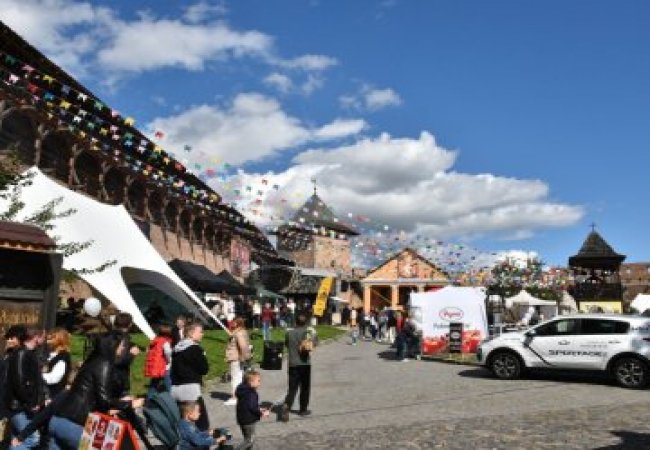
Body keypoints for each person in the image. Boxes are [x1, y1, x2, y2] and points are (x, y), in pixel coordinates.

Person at [48, 333, 145, 449]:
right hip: (75, 424)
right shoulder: (104, 364)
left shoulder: (91, 361)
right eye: (121, 345)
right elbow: (104, 400)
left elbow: (94, 395)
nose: (123, 348)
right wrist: (129, 403)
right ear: (112, 346)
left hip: (59, 420)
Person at [5, 326, 46, 450]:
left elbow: (36, 381)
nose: (45, 339)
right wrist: (31, 402)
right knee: (32, 438)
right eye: (43, 337)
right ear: (36, 337)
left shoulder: (29, 353)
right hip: (19, 406)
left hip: (22, 405)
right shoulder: (22, 353)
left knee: (17, 439)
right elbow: (19, 383)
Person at [171, 323, 210, 431]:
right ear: (191, 333)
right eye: (200, 332)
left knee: (184, 420)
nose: (202, 334)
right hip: (190, 388)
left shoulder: (176, 349)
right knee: (201, 422)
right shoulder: (195, 349)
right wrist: (203, 357)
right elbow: (204, 369)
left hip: (176, 388)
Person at [280, 315, 316, 421]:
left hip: (293, 363)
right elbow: (314, 344)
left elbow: (287, 344)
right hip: (305, 363)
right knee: (305, 387)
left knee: (292, 388)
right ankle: (303, 409)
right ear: (306, 323)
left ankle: (287, 405)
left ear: (295, 322)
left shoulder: (289, 333)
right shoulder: (308, 332)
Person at [235, 370, 269, 449]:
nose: (260, 383)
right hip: (249, 420)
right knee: (249, 440)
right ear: (251, 382)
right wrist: (262, 413)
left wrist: (259, 408)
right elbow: (252, 407)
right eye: (258, 381)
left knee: (247, 438)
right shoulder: (251, 393)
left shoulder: (242, 389)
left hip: (242, 419)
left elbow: (248, 405)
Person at [111, 312, 140, 399]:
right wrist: (132, 354)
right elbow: (118, 361)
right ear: (130, 324)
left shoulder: (108, 336)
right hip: (118, 379)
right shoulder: (123, 338)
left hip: (105, 376)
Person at [224, 318, 251, 406]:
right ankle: (240, 396)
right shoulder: (240, 332)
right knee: (239, 378)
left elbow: (243, 346)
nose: (232, 323)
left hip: (236, 358)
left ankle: (235, 397)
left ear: (238, 323)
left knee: (235, 378)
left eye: (234, 322)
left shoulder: (238, 333)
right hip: (238, 358)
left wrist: (243, 358)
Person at [145, 324, 173, 399]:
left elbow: (148, 351)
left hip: (155, 367)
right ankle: (171, 399)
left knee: (154, 384)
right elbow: (168, 353)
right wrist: (170, 361)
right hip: (164, 367)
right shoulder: (165, 342)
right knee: (169, 384)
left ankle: (149, 398)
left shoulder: (155, 341)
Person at [42, 328, 72, 399]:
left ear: (59, 341)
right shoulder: (52, 355)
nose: (47, 342)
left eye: (51, 339)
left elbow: (53, 378)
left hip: (53, 396)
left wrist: (35, 375)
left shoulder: (62, 358)